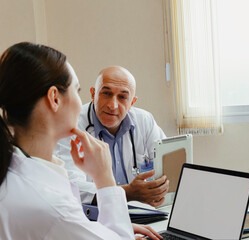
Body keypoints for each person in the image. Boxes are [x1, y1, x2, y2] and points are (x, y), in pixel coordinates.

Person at [0, 42, 162, 239]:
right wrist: (105, 179)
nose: (81, 103)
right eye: (77, 90)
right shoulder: (54, 208)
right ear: (55, 98)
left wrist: (102, 231)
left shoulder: (14, 175)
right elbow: (63, 219)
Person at [54, 66, 169, 207]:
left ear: (132, 102)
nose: (112, 105)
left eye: (122, 97)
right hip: (95, 216)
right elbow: (69, 185)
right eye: (106, 93)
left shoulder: (145, 121)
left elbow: (167, 164)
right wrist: (127, 193)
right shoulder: (72, 125)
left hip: (142, 212)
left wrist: (157, 190)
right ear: (93, 94)